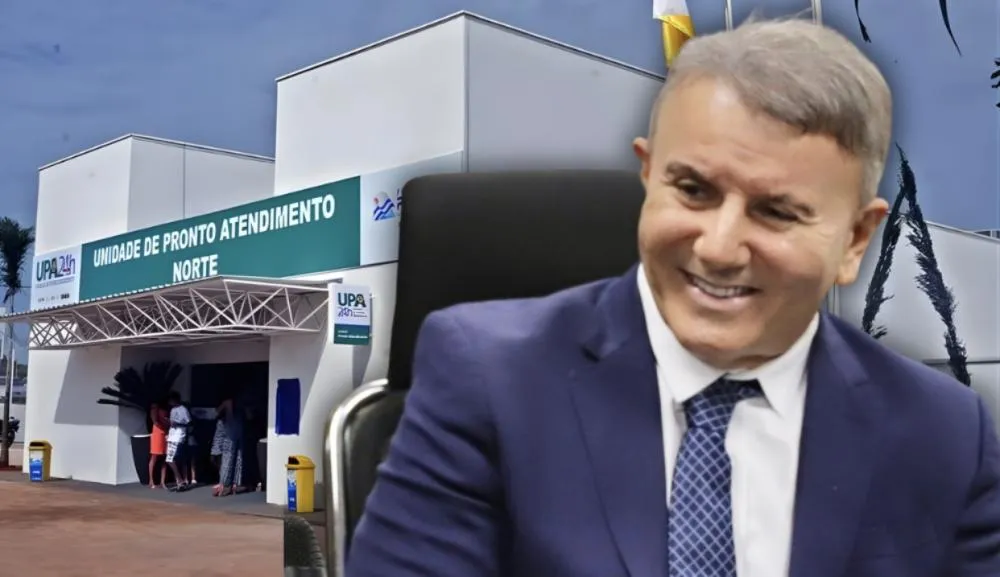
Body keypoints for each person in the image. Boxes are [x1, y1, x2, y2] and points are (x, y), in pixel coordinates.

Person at [346, 18, 1000, 577]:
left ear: (855, 239)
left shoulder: (944, 435)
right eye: (692, 190)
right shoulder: (488, 377)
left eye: (776, 211)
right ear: (648, 173)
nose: (719, 247)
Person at [213, 396, 245, 497]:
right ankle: (235, 483)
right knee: (237, 455)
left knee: (228, 455)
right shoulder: (239, 403)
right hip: (236, 424)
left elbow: (220, 411)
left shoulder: (227, 401)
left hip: (230, 425)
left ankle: (225, 485)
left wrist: (229, 419)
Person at [164, 391, 191, 492]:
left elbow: (189, 423)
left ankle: (180, 481)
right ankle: (179, 482)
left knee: (171, 459)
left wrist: (177, 424)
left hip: (178, 436)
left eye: (170, 400)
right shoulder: (172, 410)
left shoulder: (183, 409)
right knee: (171, 459)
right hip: (172, 436)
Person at [147, 400, 169, 489]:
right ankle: (151, 480)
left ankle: (162, 482)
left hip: (165, 434)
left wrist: (167, 425)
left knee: (164, 457)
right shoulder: (154, 410)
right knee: (154, 456)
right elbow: (155, 422)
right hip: (157, 434)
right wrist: (165, 425)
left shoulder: (164, 410)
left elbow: (167, 422)